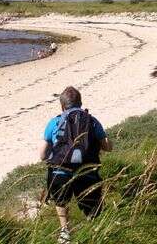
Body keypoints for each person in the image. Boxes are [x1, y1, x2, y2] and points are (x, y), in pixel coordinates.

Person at [39, 87, 112, 244]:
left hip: (60, 172)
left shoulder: (54, 122)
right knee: (92, 205)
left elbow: (42, 155)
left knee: (61, 200)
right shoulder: (91, 121)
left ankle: (65, 231)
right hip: (87, 171)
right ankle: (94, 232)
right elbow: (107, 147)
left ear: (62, 106)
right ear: (80, 103)